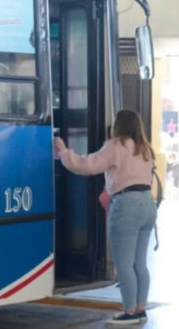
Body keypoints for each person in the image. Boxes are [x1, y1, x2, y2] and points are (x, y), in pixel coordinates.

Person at [55, 110, 156, 325]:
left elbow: (87, 165)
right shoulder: (145, 148)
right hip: (148, 204)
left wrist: (64, 152)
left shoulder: (117, 145)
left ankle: (129, 312)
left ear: (119, 125)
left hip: (127, 205)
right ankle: (140, 308)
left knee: (125, 263)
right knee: (140, 263)